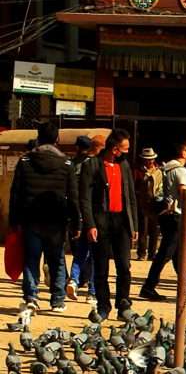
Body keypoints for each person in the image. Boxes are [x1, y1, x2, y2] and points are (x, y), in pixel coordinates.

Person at [9, 121, 79, 313]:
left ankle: (31, 296)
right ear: (57, 139)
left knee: (31, 259)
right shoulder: (66, 164)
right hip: (56, 220)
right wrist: (76, 222)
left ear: (38, 137)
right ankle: (57, 300)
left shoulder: (25, 162)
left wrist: (14, 221)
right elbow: (73, 196)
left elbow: (15, 193)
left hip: (31, 219)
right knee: (56, 260)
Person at [81, 129, 138, 320]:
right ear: (115, 149)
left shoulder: (125, 166)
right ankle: (103, 305)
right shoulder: (93, 166)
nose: (128, 151)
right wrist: (90, 224)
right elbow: (85, 198)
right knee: (101, 267)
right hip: (101, 221)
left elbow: (130, 197)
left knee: (124, 265)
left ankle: (123, 304)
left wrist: (134, 226)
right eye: (125, 148)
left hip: (121, 222)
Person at [140, 141, 186, 301]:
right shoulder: (181, 171)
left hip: (165, 213)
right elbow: (183, 192)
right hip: (175, 214)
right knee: (165, 253)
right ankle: (148, 286)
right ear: (183, 153)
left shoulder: (166, 168)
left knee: (177, 253)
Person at [67, 134, 104, 304]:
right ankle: (92, 291)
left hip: (78, 213)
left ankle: (74, 279)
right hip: (94, 216)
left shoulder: (73, 164)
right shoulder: (97, 164)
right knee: (95, 254)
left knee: (81, 251)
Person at [135, 148, 162, 261]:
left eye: (151, 159)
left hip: (155, 203)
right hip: (142, 203)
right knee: (143, 229)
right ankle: (141, 252)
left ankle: (152, 253)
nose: (150, 162)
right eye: (147, 159)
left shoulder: (159, 170)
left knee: (154, 230)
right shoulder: (138, 171)